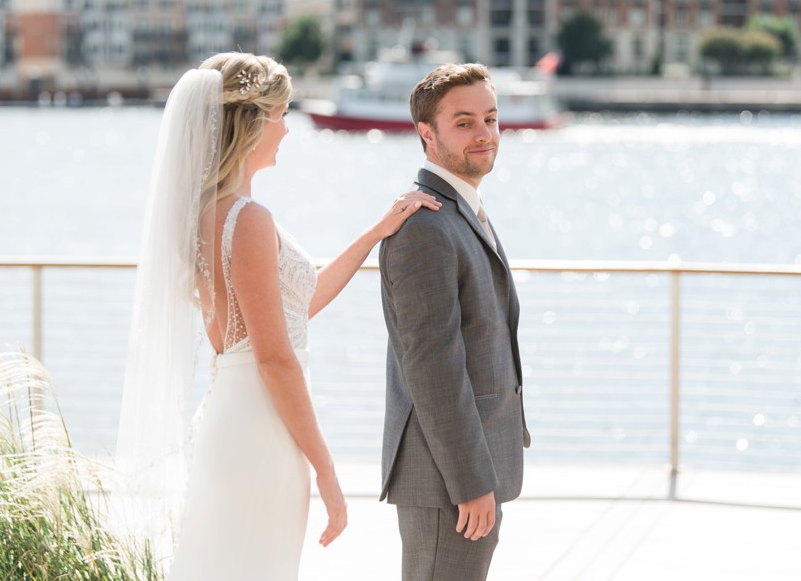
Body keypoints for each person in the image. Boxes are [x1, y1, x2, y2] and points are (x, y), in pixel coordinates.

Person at [115, 52, 440, 579]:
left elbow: (295, 308)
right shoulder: (246, 219)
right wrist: (327, 470)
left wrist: (376, 232)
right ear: (253, 122)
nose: (289, 129)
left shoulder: (205, 214)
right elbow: (275, 358)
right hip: (261, 430)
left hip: (232, 418)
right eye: (283, 114)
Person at [378, 62, 531, 581]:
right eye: (464, 122)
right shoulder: (425, 226)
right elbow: (432, 368)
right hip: (448, 477)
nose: (485, 134)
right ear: (427, 133)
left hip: (472, 463)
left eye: (490, 118)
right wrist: (469, 481)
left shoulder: (459, 209)